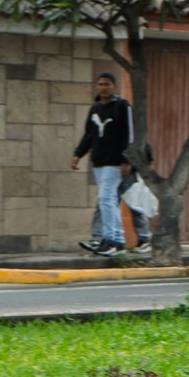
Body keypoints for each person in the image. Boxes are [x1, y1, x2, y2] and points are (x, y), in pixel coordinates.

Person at [71, 72, 132, 254]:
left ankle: (111, 239)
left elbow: (129, 135)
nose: (103, 87)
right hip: (98, 162)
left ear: (114, 86)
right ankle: (117, 239)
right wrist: (78, 154)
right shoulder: (95, 108)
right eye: (100, 84)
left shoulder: (122, 106)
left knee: (106, 199)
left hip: (115, 162)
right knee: (108, 200)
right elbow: (89, 135)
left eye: (107, 84)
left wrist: (127, 160)